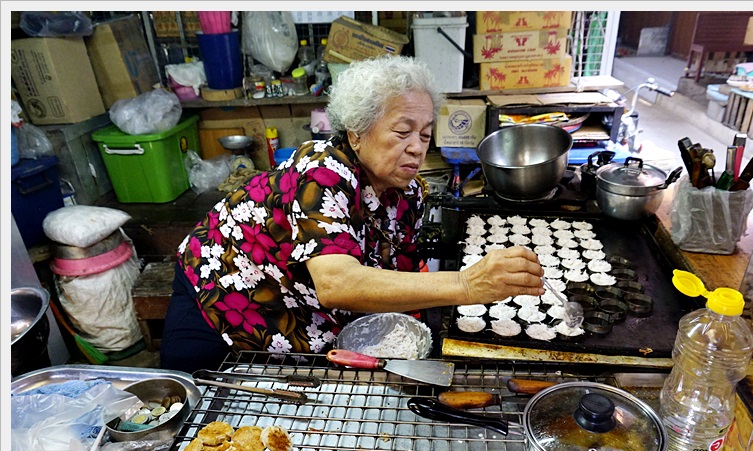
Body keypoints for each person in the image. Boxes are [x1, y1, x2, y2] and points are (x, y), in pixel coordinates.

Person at [160, 55, 544, 371]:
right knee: (194, 408)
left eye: (425, 134)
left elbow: (395, 278)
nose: (416, 148)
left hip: (295, 306)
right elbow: (337, 284)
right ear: (358, 132)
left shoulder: (406, 190)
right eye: (402, 131)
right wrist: (465, 285)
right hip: (223, 291)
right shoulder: (322, 172)